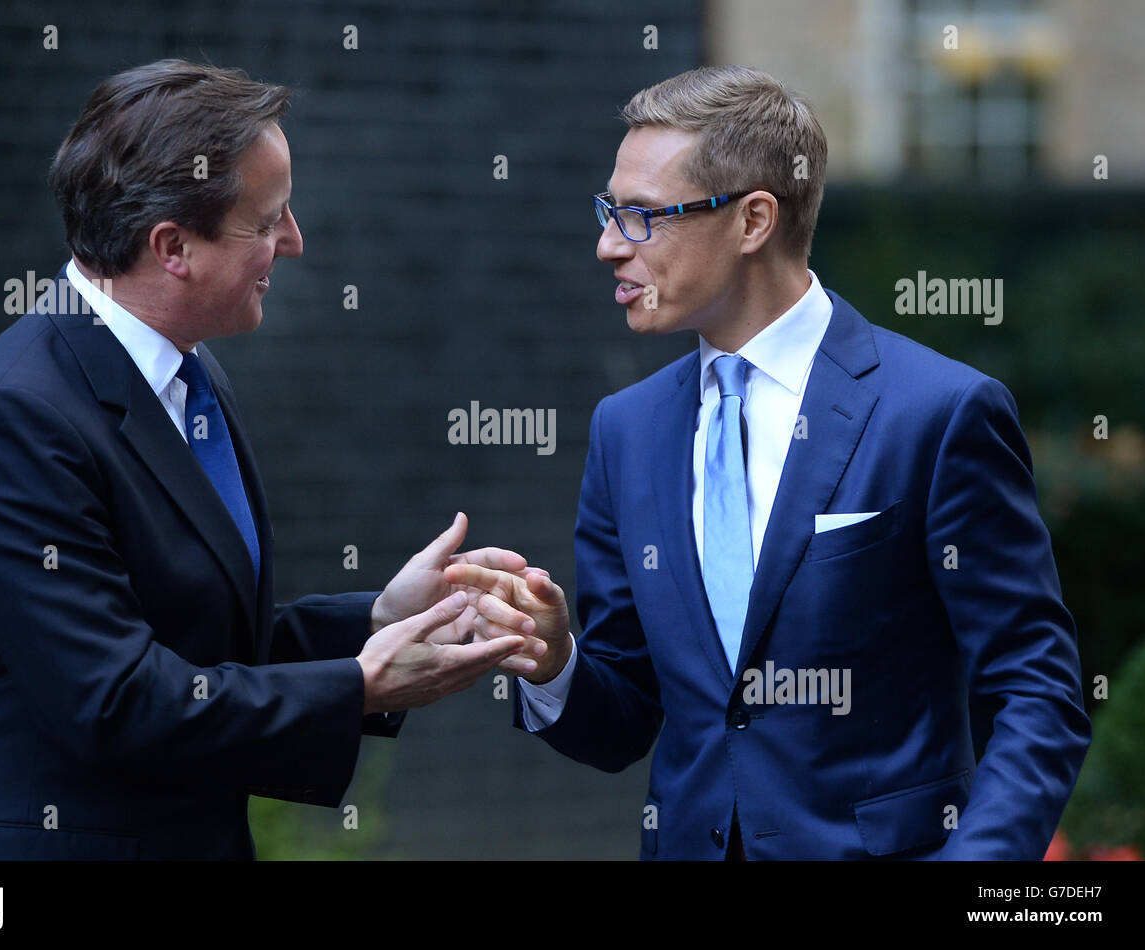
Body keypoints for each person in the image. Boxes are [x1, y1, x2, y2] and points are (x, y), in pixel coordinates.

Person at [0, 59, 538, 860]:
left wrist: (378, 619)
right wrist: (360, 683)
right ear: (173, 247)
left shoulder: (183, 374)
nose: (295, 241)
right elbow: (116, 699)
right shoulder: (17, 416)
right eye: (268, 220)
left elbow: (199, 651)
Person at [448, 65, 1092, 860]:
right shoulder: (628, 429)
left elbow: (1039, 692)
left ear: (753, 219)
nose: (608, 244)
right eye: (610, 211)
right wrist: (554, 662)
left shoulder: (939, 412)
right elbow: (626, 721)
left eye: (643, 217)